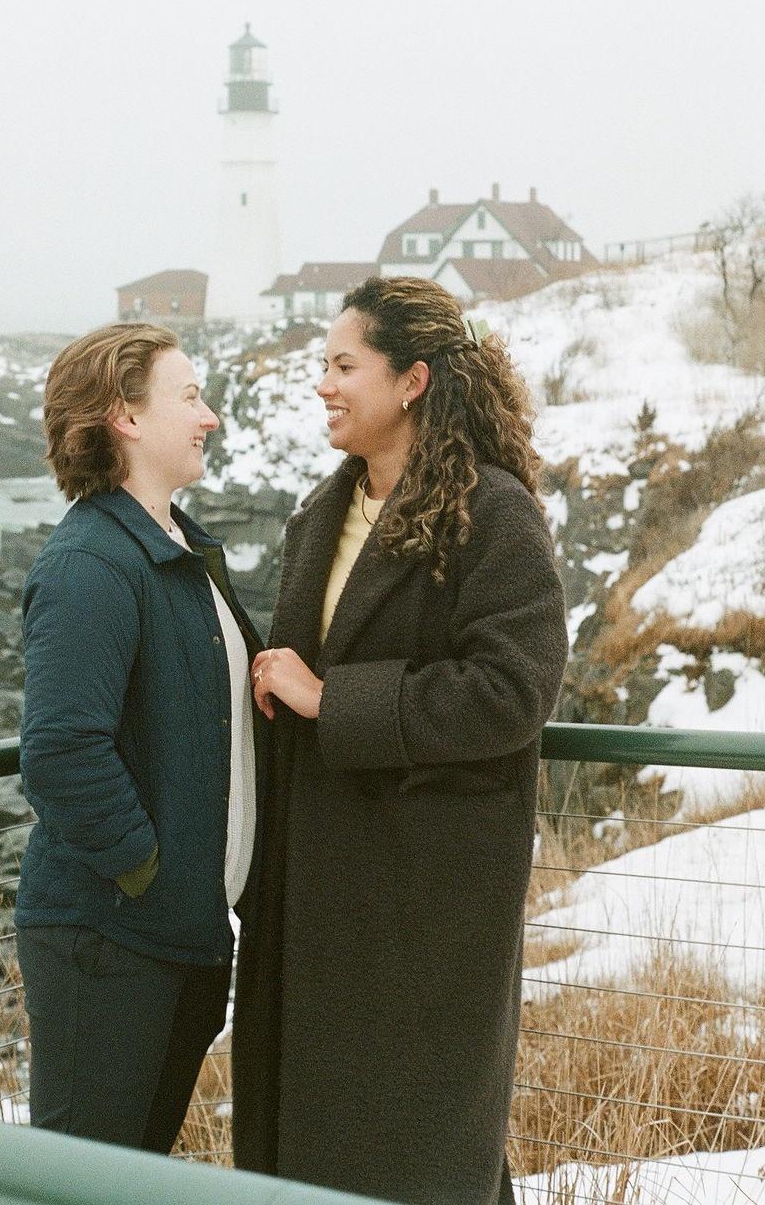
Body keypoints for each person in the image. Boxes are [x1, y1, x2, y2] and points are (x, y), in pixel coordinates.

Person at [232, 276, 568, 1205]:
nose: (324, 386)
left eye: (345, 366)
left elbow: (514, 690)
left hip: (425, 905)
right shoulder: (318, 516)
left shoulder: (494, 512)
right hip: (311, 901)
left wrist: (329, 698)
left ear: (413, 380)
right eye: (323, 367)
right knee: (310, 1155)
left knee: (420, 1156)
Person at [15, 322, 263, 1153]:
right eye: (189, 396)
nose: (211, 416)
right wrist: (146, 871)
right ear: (124, 415)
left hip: (179, 934)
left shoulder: (175, 549)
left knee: (133, 1176)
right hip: (111, 940)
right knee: (79, 1184)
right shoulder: (91, 563)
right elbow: (61, 750)